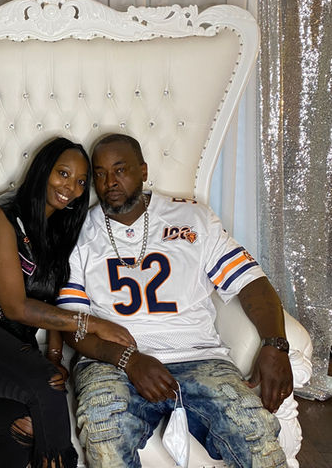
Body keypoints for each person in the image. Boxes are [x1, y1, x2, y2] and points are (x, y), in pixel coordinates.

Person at [57, 133, 293, 468]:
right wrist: (129, 360)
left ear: (143, 171)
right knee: (103, 429)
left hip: (199, 357)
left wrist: (275, 344)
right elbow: (72, 324)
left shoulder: (193, 217)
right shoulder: (78, 230)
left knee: (254, 430)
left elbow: (250, 282)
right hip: (111, 362)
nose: (110, 182)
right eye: (100, 173)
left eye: (120, 170)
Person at [0, 137, 135, 468]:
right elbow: (16, 307)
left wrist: (53, 356)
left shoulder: (58, 230)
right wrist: (93, 324)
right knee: (48, 386)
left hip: (6, 345)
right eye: (63, 174)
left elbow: (53, 301)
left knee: (26, 430)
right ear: (43, 169)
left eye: (81, 182)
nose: (71, 188)